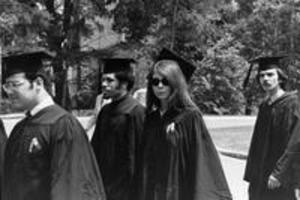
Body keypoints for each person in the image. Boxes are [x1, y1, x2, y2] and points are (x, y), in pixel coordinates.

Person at [1, 50, 106, 200]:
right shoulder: (20, 128)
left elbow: (71, 187)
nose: (9, 92)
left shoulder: (62, 125)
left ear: (38, 83)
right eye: (6, 86)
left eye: (15, 84)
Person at [138, 48, 232, 200]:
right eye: (155, 82)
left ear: (175, 83)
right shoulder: (151, 119)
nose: (160, 86)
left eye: (165, 81)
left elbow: (202, 163)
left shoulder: (189, 117)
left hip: (179, 192)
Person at [243, 56, 300, 200]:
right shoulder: (264, 106)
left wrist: (279, 173)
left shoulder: (292, 104)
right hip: (261, 176)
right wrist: (253, 175)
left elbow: (294, 143)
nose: (265, 79)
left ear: (280, 77)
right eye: (262, 75)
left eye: (270, 74)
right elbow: (256, 144)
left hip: (280, 178)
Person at [91, 58, 145, 200]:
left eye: (109, 81)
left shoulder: (135, 111)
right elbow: (95, 148)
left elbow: (139, 156)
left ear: (124, 83)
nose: (103, 84)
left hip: (126, 187)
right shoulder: (105, 111)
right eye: (103, 80)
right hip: (104, 183)